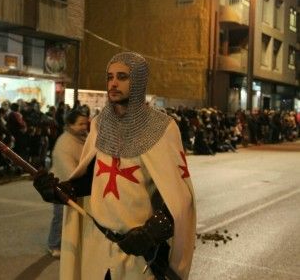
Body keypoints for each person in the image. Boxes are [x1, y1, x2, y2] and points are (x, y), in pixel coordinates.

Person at [33, 52, 196, 279]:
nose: (113, 83)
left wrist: (151, 233)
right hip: (97, 244)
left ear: (138, 81)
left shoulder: (163, 128)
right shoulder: (100, 124)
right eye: (110, 77)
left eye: (122, 77)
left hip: (137, 253)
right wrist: (59, 191)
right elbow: (90, 180)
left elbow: (179, 198)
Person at [47, 109, 89, 258]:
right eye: (80, 124)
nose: (84, 127)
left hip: (75, 185)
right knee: (60, 216)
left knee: (72, 218)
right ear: (70, 125)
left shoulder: (84, 138)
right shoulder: (65, 142)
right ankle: (53, 245)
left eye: (86, 123)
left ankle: (70, 243)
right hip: (62, 184)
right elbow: (68, 170)